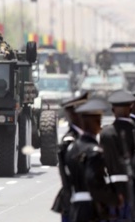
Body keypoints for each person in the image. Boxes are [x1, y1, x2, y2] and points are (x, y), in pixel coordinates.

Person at [64, 97, 121, 222]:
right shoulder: (94, 151)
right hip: (91, 209)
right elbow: (93, 181)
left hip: (75, 208)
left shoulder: (72, 148)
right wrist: (114, 199)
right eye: (98, 120)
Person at [99, 90, 135, 220]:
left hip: (112, 189)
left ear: (112, 109)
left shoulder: (105, 133)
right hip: (134, 188)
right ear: (131, 108)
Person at [52, 92, 88, 222]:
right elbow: (67, 177)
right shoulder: (70, 141)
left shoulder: (86, 136)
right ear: (74, 115)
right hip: (74, 199)